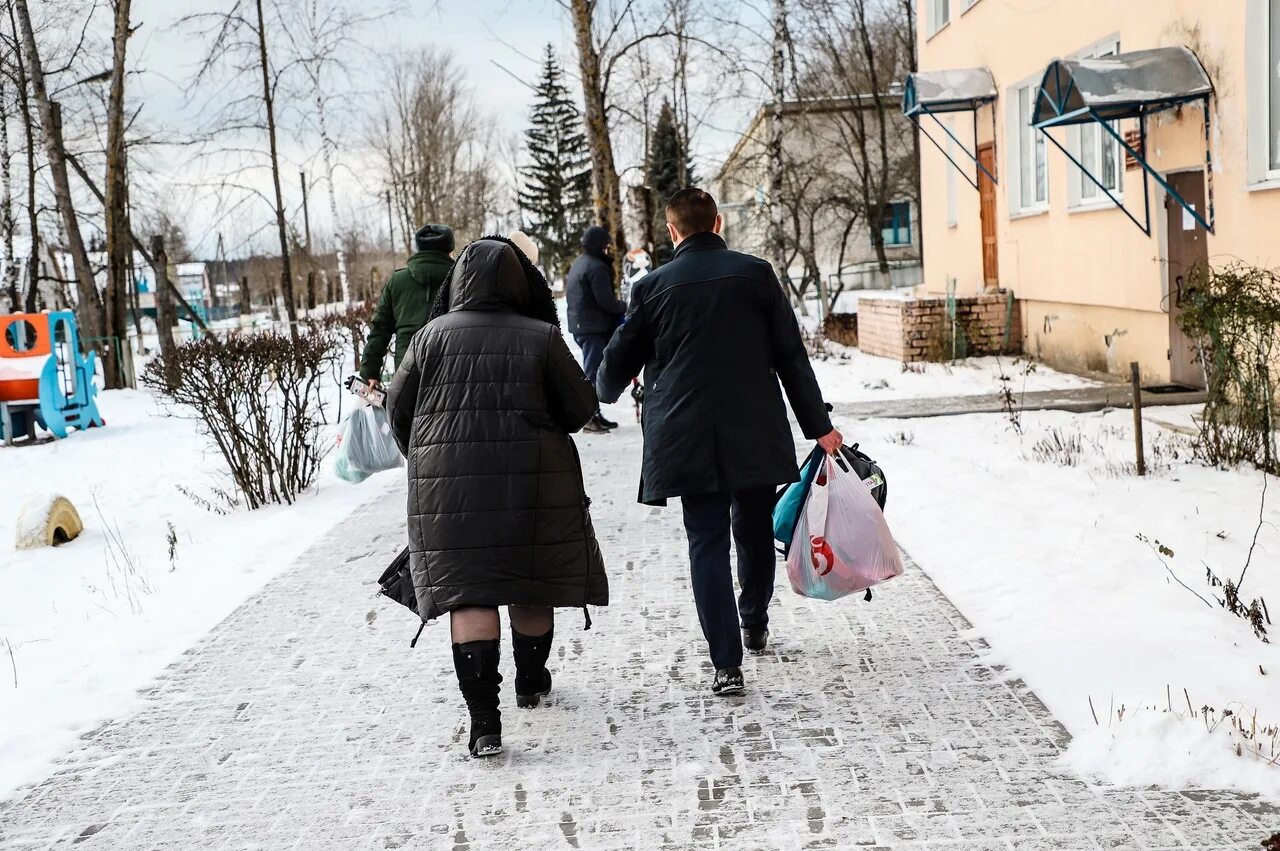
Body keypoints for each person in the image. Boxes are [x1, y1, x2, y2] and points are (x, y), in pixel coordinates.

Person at [595, 188, 843, 695]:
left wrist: (606, 385)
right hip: (753, 427)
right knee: (751, 525)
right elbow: (792, 356)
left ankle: (726, 664)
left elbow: (610, 374)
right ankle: (754, 621)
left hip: (685, 436)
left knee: (705, 540)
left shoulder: (653, 288)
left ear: (672, 231)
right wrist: (820, 426)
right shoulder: (755, 275)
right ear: (719, 222)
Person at [386, 236, 609, 758]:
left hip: (448, 487)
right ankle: (530, 682)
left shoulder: (428, 338)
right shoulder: (541, 337)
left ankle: (485, 723)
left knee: (471, 591)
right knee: (531, 581)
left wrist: (425, 457)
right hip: (534, 480)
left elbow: (398, 410)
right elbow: (581, 409)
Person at [359, 224, 455, 387]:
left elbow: (380, 329)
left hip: (407, 371)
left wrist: (370, 372)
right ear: (450, 250)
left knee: (409, 412)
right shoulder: (460, 279)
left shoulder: (397, 281)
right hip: (451, 369)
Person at [565, 225, 626, 433]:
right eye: (606, 245)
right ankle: (589, 417)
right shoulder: (596, 267)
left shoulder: (581, 262)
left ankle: (594, 414)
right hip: (592, 326)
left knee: (592, 370)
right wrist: (625, 306)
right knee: (592, 373)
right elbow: (606, 301)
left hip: (582, 325)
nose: (608, 249)